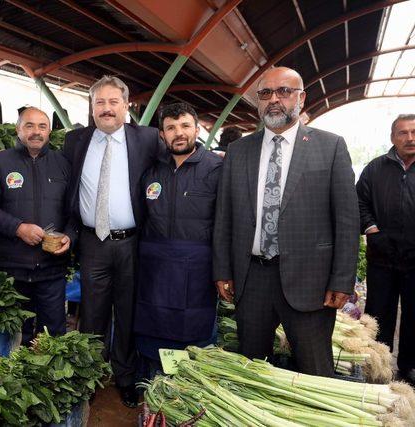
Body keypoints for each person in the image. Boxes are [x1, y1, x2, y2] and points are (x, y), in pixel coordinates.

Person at [212, 66, 359, 376]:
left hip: (311, 281)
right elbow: (224, 215)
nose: (274, 99)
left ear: (301, 98)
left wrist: (342, 279)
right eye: (265, 93)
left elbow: (347, 220)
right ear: (257, 102)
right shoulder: (239, 151)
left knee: (316, 370)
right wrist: (223, 269)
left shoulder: (330, 146)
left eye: (283, 91)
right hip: (252, 278)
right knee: (253, 369)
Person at [63, 75, 162, 407]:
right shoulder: (75, 141)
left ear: (126, 105)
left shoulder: (148, 139)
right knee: (92, 313)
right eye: (99, 103)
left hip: (132, 243)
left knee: (129, 311)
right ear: (91, 107)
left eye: (113, 102)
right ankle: (90, 375)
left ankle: (124, 376)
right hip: (92, 242)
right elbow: (67, 191)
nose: (106, 109)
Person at [134, 103, 222, 379]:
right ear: (162, 135)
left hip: (198, 269)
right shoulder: (150, 171)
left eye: (185, 126)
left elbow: (227, 224)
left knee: (194, 331)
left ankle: (187, 389)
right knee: (152, 328)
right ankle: (151, 383)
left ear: (198, 129)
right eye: (171, 128)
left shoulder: (217, 168)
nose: (179, 133)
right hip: (154, 269)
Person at [0, 107, 71, 346]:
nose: (36, 132)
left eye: (42, 126)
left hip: (52, 269)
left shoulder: (63, 163)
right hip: (11, 270)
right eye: (29, 125)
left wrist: (70, 236)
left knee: (53, 339)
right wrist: (18, 228)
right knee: (14, 339)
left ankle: (49, 383)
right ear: (18, 129)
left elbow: (75, 210)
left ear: (49, 131)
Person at [356, 114, 415, 384]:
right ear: (392, 138)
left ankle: (409, 366)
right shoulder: (375, 168)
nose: (410, 138)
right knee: (379, 313)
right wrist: (372, 230)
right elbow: (359, 202)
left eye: (414, 132)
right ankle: (378, 366)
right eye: (402, 133)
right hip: (382, 257)